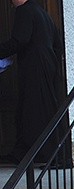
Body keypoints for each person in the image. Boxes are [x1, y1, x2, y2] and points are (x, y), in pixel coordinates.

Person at [0, 0, 63, 165]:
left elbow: (20, 40)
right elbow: (58, 45)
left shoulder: (25, 11)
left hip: (34, 67)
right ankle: (24, 153)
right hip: (46, 66)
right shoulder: (43, 13)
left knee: (33, 111)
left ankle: (43, 155)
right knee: (34, 110)